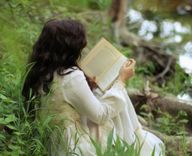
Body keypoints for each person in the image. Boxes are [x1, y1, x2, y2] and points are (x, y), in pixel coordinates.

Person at [22, 19, 165, 156]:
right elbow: (101, 115)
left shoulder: (40, 69)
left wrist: (89, 84)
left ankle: (135, 138)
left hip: (54, 140)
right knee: (117, 93)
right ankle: (135, 142)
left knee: (107, 92)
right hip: (75, 146)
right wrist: (121, 80)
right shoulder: (71, 76)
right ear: (69, 48)